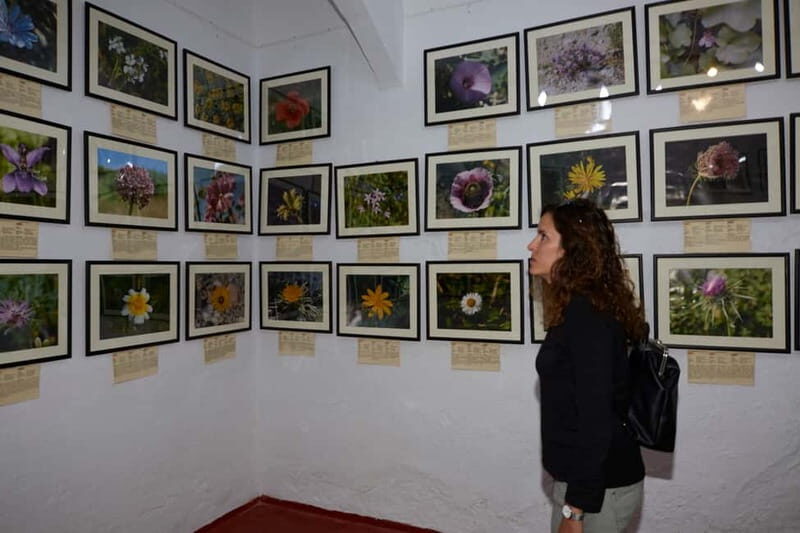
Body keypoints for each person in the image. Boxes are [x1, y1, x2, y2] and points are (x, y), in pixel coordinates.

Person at [527, 199, 647, 533]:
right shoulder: (580, 309)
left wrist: (576, 510)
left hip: (597, 493)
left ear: (571, 250)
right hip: (587, 485)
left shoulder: (587, 317)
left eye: (543, 237)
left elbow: (596, 419)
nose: (532, 245)